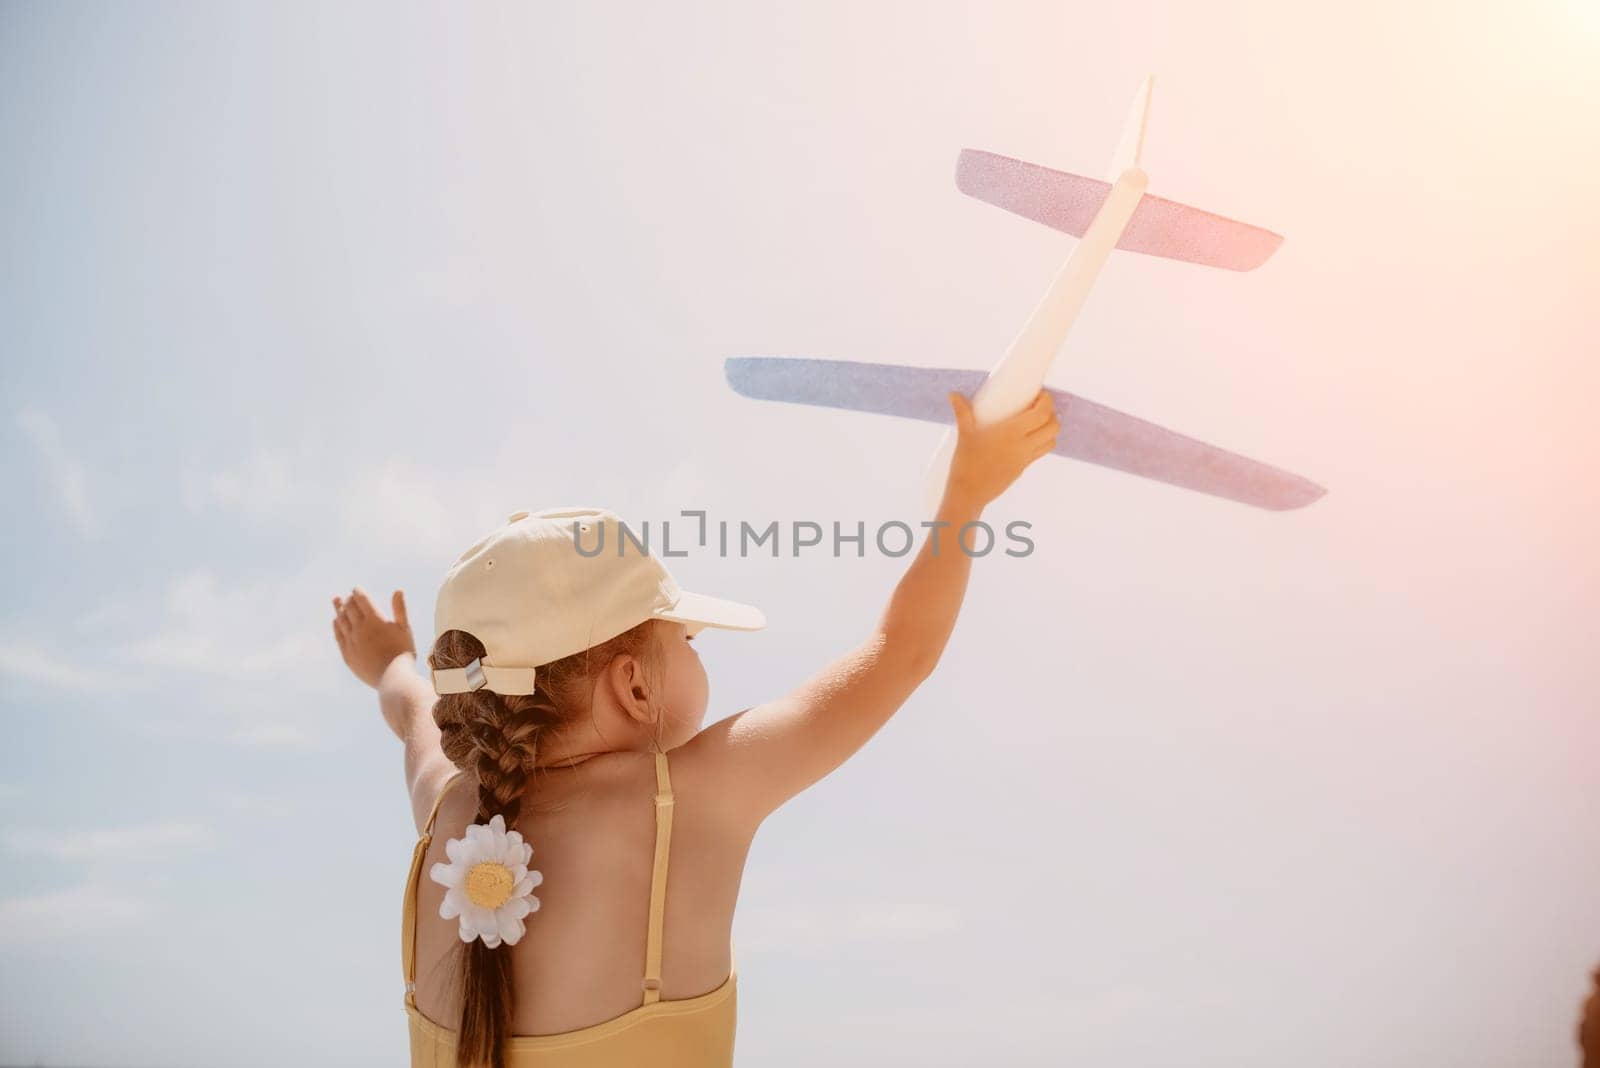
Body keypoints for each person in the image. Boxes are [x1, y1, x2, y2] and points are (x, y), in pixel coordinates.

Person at [331, 389, 1060, 1068]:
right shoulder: (686, 798)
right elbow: (899, 656)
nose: (694, 651)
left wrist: (391, 659)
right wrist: (966, 494)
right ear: (635, 683)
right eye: (686, 640)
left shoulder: (446, 809)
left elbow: (410, 710)